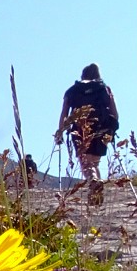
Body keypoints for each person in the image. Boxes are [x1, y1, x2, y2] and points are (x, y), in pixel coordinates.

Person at [55, 63, 118, 204]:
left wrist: (60, 131)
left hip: (80, 128)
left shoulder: (72, 91)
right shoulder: (104, 88)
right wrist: (112, 127)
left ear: (83, 75)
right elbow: (114, 112)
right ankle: (96, 195)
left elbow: (64, 113)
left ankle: (94, 181)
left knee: (86, 163)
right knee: (94, 162)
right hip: (101, 128)